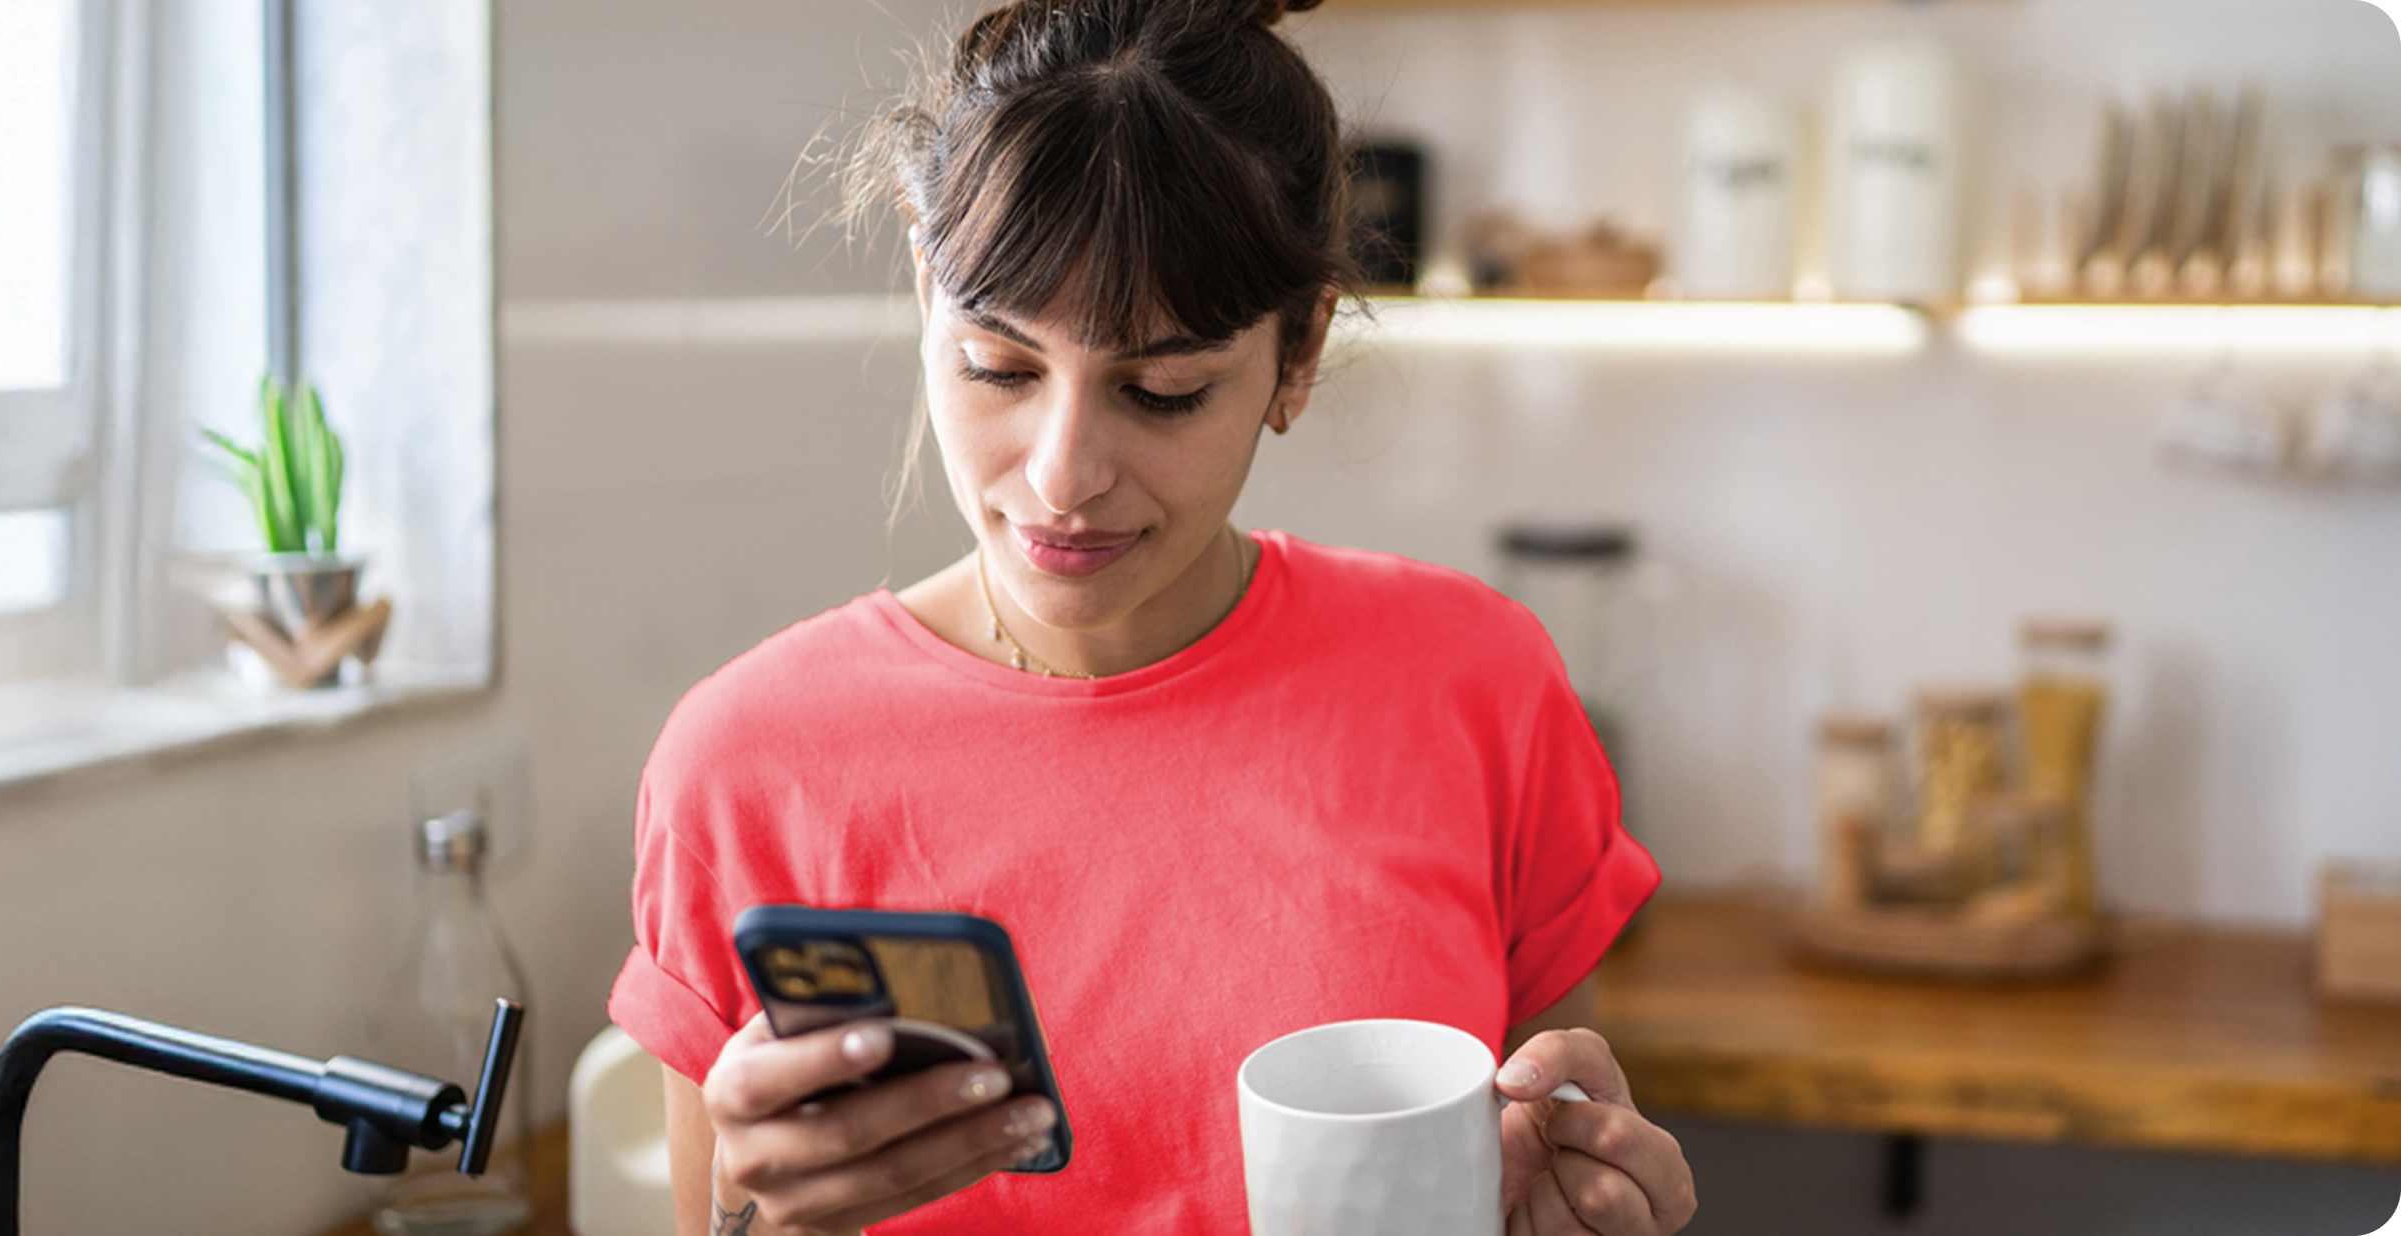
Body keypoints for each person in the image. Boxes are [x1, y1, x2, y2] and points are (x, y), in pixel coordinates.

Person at [603, 0, 1698, 1233]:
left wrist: (1586, 1206)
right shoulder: (746, 764)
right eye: (1000, 368)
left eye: (1163, 391)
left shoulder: (1473, 683)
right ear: (924, 289)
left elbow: (1533, 1153)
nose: (1063, 474)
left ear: (1298, 353)